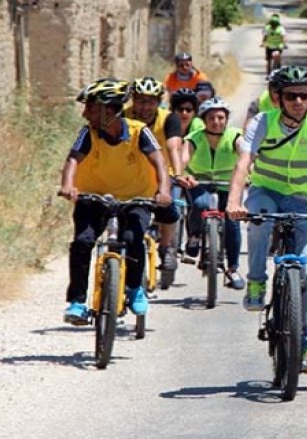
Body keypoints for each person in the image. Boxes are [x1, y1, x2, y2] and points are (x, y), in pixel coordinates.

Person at [226, 66, 307, 374]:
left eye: (304, 95)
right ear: (277, 98)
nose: (299, 101)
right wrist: (234, 202)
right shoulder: (262, 121)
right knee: (258, 220)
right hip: (267, 191)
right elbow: (244, 162)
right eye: (291, 96)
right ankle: (257, 281)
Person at [58, 78, 172, 324]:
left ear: (109, 110)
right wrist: (68, 186)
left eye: (91, 108)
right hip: (94, 197)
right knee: (82, 241)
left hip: (136, 196)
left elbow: (159, 162)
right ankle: (77, 302)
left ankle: (134, 288)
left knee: (132, 239)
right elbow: (73, 160)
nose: (85, 113)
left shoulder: (139, 132)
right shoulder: (88, 133)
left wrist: (163, 190)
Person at [177, 97, 245, 290]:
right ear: (204, 120)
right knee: (199, 205)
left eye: (221, 117)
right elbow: (183, 158)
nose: (217, 122)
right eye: (212, 118)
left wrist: (249, 174)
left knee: (232, 221)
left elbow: (245, 156)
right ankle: (194, 236)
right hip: (199, 180)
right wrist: (181, 174)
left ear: (226, 119)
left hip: (228, 183)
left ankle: (232, 269)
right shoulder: (194, 138)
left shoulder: (235, 136)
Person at [125, 76, 184, 273]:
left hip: (161, 175)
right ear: (133, 99)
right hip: (130, 175)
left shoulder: (169, 119)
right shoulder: (123, 117)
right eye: (141, 101)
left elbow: (174, 147)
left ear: (158, 103)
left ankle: (166, 248)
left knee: (167, 210)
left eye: (150, 102)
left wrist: (178, 173)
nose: (145, 107)